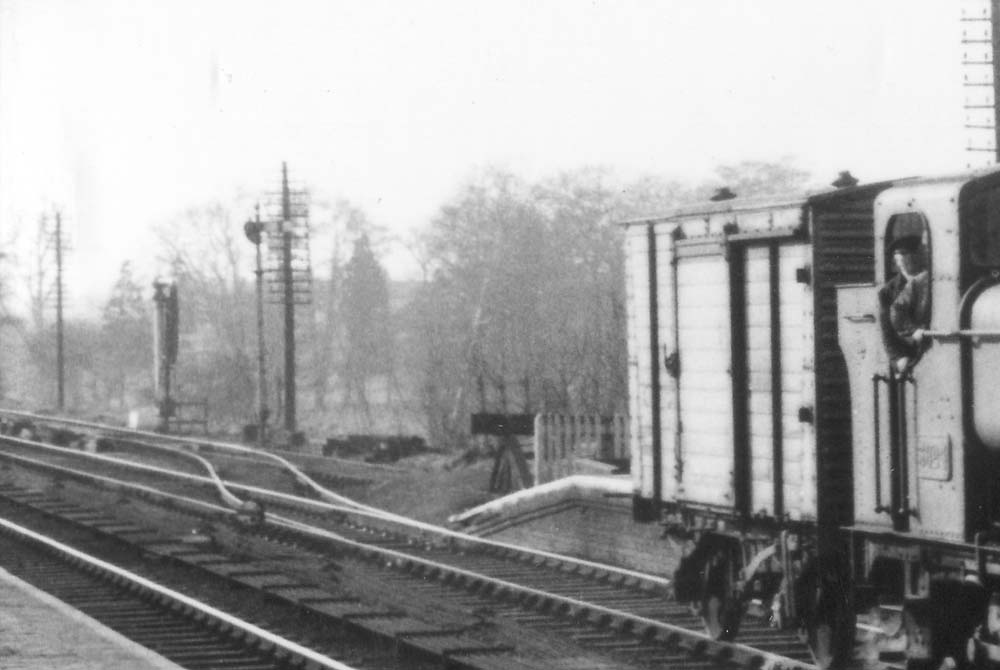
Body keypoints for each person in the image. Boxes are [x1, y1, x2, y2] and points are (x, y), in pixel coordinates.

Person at [878, 235, 930, 375]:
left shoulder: (930, 283)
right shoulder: (887, 291)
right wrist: (898, 358)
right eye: (900, 254)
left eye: (910, 254)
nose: (906, 259)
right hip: (906, 353)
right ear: (896, 259)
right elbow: (886, 331)